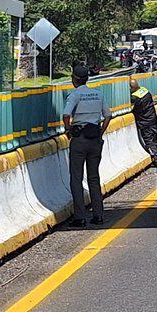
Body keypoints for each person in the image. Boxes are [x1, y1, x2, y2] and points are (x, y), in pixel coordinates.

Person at [63, 63, 112, 226]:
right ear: (87, 78)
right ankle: (98, 215)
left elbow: (66, 115)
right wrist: (100, 132)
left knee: (76, 178)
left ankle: (80, 217)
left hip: (79, 139)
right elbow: (108, 116)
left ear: (74, 79)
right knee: (93, 177)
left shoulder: (74, 95)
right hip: (95, 138)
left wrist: (68, 130)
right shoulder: (98, 94)